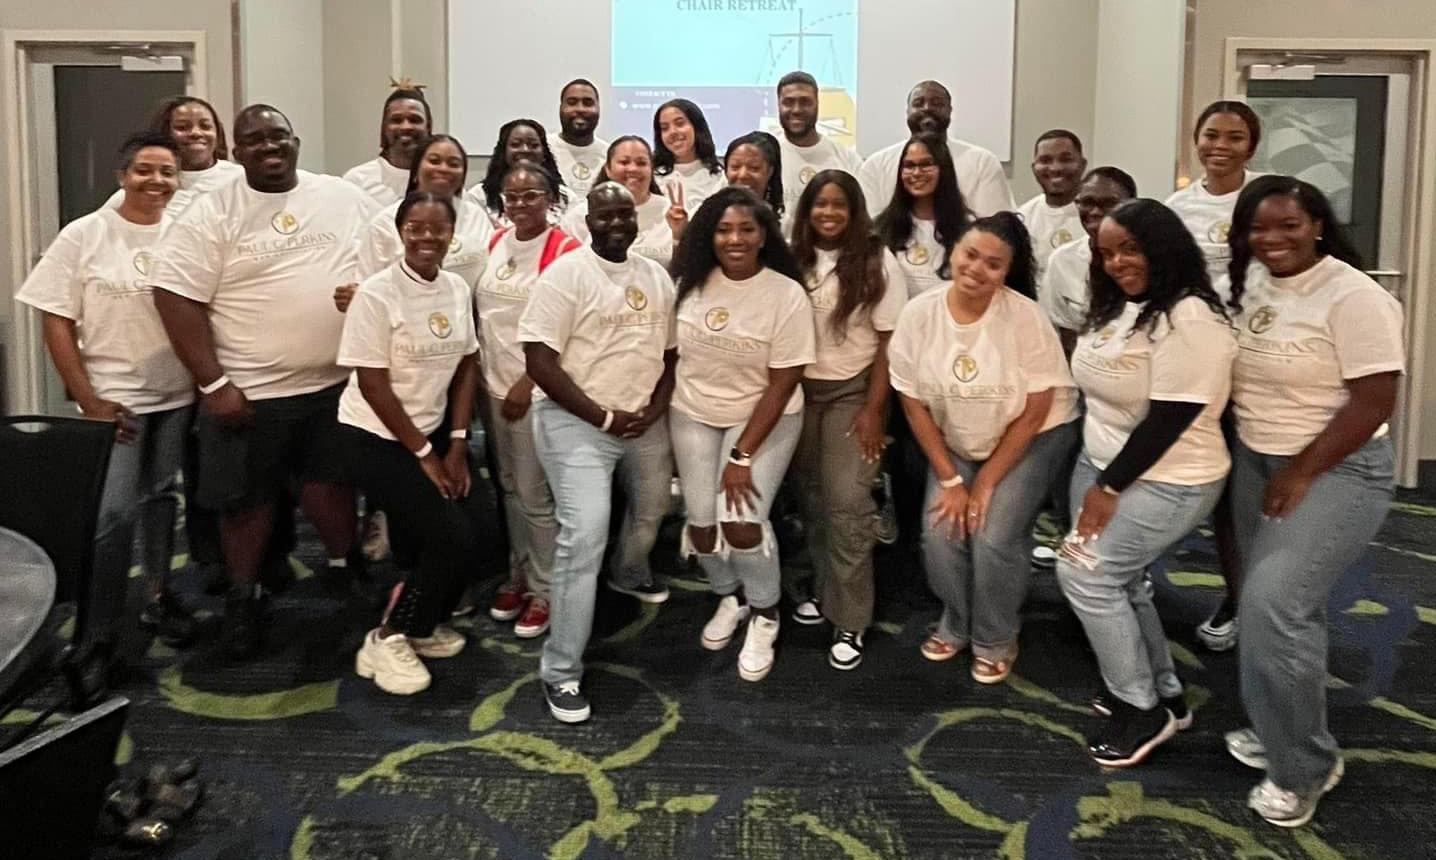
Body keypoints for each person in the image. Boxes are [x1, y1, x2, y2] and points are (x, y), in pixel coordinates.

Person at [150, 104, 377, 658]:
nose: (269, 147)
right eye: (254, 140)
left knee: (332, 485)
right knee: (245, 504)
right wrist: (213, 384)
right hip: (249, 392)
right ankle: (243, 599)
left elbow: (388, 254)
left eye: (279, 136)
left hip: (335, 384)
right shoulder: (211, 212)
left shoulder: (341, 196)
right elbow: (174, 296)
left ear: (296, 141)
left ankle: (346, 569)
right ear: (237, 151)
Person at [1221, 177, 1404, 828]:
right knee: (1276, 608)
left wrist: (1302, 471)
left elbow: (1374, 400)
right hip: (1257, 459)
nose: (1272, 239)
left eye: (1289, 225)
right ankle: (1279, 725)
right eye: (1258, 228)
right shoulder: (1251, 283)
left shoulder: (1355, 297)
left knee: (1274, 605)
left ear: (1319, 225)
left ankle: (1304, 766)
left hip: (1337, 468)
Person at [1055, 198, 1235, 768]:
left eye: (1130, 249)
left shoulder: (1189, 317)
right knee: (1123, 581)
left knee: (1085, 574)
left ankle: (1141, 707)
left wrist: (1107, 488)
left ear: (1163, 247)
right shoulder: (1121, 305)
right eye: (1106, 253)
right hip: (1105, 465)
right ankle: (1164, 693)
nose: (1117, 263)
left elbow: (1169, 419)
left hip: (1169, 478)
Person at [17, 132, 197, 668]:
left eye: (167, 172)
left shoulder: (185, 233)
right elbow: (55, 319)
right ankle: (98, 630)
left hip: (177, 393)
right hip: (114, 399)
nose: (156, 181)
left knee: (161, 498)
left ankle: (158, 594)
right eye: (144, 170)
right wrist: (87, 397)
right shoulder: (85, 234)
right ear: (122, 176)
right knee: (113, 514)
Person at [889, 212, 1079, 683]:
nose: (976, 269)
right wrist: (952, 479)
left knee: (992, 533)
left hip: (1032, 434)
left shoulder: (1025, 317)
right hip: (957, 434)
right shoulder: (919, 314)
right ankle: (957, 619)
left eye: (993, 264)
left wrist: (987, 482)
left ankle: (995, 635)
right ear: (953, 251)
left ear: (1007, 272)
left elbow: (1037, 409)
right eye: (970, 255)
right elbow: (912, 402)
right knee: (941, 529)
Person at [520, 182, 678, 723]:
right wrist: (603, 418)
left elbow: (671, 355)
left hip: (641, 420)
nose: (616, 224)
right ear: (587, 221)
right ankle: (560, 670)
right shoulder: (565, 276)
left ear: (637, 219)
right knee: (584, 534)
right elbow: (539, 361)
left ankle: (626, 574)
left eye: (624, 214)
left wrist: (655, 408)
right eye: (604, 215)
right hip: (576, 422)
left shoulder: (655, 276)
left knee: (654, 508)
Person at [670, 186, 816, 683]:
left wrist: (741, 456)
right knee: (702, 526)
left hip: (762, 416)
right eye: (724, 230)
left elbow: (784, 381)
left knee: (741, 522)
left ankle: (765, 613)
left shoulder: (785, 294)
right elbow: (670, 356)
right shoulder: (689, 282)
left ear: (764, 235)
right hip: (693, 411)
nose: (735, 239)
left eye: (746, 229)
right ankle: (730, 597)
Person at [340, 191, 483, 695]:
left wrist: (458, 445)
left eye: (437, 228)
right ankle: (387, 636)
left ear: (452, 234)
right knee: (450, 536)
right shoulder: (376, 294)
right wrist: (425, 455)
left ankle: (421, 625)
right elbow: (372, 383)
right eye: (415, 228)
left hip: (433, 430)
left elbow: (467, 365)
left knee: (480, 526)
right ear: (400, 233)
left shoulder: (456, 288)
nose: (427, 237)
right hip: (375, 436)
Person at [787, 170, 907, 669]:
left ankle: (852, 618)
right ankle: (825, 590)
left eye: (839, 204)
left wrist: (875, 410)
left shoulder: (878, 259)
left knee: (847, 504)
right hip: (798, 392)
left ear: (855, 211)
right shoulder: (792, 256)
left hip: (853, 393)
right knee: (812, 499)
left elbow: (889, 342)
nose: (829, 213)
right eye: (820, 204)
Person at [1166, 100, 1263, 653]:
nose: (1220, 146)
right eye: (1210, 135)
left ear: (1252, 145)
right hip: (1202, 363)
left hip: (1259, 363)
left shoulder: (1267, 199)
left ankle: (1251, 599)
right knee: (1219, 493)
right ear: (1196, 140)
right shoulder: (1178, 207)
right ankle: (1237, 595)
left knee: (1249, 496)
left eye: (1234, 137)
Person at [478, 162, 582, 637]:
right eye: (512, 196)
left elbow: (570, 331)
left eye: (531, 195)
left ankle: (546, 590)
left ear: (551, 198)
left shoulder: (565, 252)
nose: (520, 204)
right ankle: (518, 573)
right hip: (492, 387)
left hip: (533, 393)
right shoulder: (496, 243)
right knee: (508, 488)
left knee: (534, 495)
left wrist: (527, 383)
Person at [351, 134, 492, 293]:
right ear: (416, 171)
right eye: (434, 161)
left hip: (464, 306)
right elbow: (367, 286)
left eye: (453, 164)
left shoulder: (475, 216)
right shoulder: (384, 223)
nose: (443, 169)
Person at [859, 80, 1013, 220]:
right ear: (907, 111)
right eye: (918, 103)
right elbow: (870, 227)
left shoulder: (982, 162)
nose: (927, 108)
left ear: (950, 111)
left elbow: (996, 226)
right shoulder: (875, 165)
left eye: (937, 103)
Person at [1040, 167, 1139, 353]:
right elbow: (1062, 334)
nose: (1094, 211)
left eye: (1108, 203)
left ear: (1132, 206)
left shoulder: (1147, 260)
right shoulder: (1062, 261)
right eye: (1087, 202)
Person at [106, 96, 242, 218]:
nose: (196, 133)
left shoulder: (240, 178)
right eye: (182, 127)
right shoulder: (145, 187)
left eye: (205, 126)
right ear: (164, 134)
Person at [561, 136, 684, 269]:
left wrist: (679, 234)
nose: (633, 169)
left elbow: (684, 268)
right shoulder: (580, 215)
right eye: (624, 162)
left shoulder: (672, 213)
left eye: (641, 163)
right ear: (608, 169)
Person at [874, 133, 971, 299]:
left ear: (944, 169)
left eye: (926, 164)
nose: (917, 172)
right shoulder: (882, 227)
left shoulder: (969, 230)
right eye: (909, 165)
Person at [774, 71, 862, 218]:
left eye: (805, 102)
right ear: (778, 105)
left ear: (817, 104)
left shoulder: (847, 159)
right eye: (788, 102)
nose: (796, 110)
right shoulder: (766, 157)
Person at [342, 87, 432, 207]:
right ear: (384, 127)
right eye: (396, 120)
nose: (406, 127)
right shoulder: (357, 180)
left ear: (428, 127)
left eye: (414, 120)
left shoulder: (440, 178)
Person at [1016, 129, 1087, 274]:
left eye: (1065, 159)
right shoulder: (1022, 217)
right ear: (1034, 168)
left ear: (1083, 164)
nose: (1056, 168)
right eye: (1045, 160)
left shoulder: (1097, 214)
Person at [472, 118, 569, 222]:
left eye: (534, 145)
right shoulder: (479, 196)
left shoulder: (564, 196)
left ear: (544, 153)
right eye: (516, 144)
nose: (525, 150)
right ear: (503, 152)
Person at [653, 98, 727, 216]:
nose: (672, 132)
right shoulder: (652, 178)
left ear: (697, 127)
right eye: (665, 128)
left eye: (680, 124)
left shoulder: (720, 177)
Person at [549, 79, 608, 196]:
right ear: (560, 108)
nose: (580, 109)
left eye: (588, 103)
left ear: (599, 108)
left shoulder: (610, 155)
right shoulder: (544, 148)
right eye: (572, 103)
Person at [723, 131, 784, 217]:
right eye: (735, 167)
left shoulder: (784, 220)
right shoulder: (712, 216)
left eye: (753, 168)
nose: (743, 175)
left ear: (770, 172)